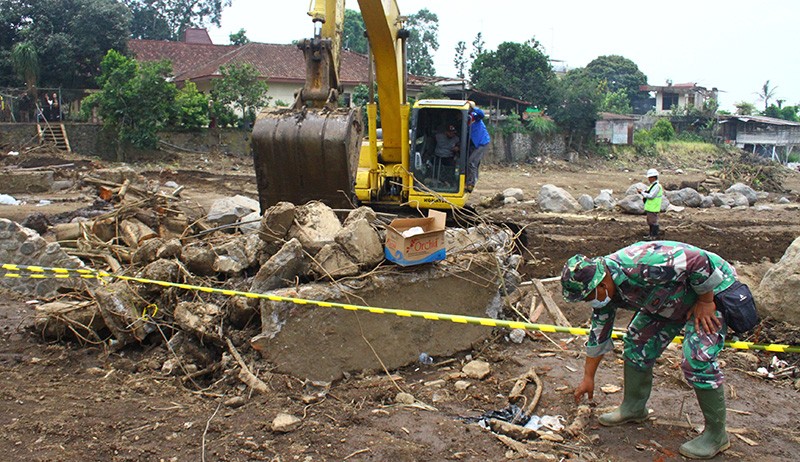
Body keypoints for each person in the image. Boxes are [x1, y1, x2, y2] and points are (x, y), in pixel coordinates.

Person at [561, 240, 738, 459]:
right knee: (637, 341)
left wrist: (705, 300)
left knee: (697, 357)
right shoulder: (604, 291)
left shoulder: (642, 263)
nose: (589, 302)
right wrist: (588, 377)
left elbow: (698, 260)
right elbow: (599, 332)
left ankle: (716, 435)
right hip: (669, 298)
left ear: (600, 285)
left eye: (587, 297)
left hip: (711, 289)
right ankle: (633, 408)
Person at [466, 101, 490, 192]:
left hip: (482, 143)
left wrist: (473, 107)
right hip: (475, 143)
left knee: (471, 162)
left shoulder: (475, 116)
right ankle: (472, 180)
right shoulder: (466, 121)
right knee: (473, 163)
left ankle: (471, 183)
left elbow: (482, 114)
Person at [639, 168, 663, 240]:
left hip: (653, 207)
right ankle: (651, 235)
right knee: (650, 221)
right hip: (650, 207)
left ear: (653, 177)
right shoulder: (653, 185)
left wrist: (642, 193)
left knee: (653, 222)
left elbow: (651, 196)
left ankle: (654, 236)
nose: (648, 179)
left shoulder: (657, 186)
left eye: (649, 178)